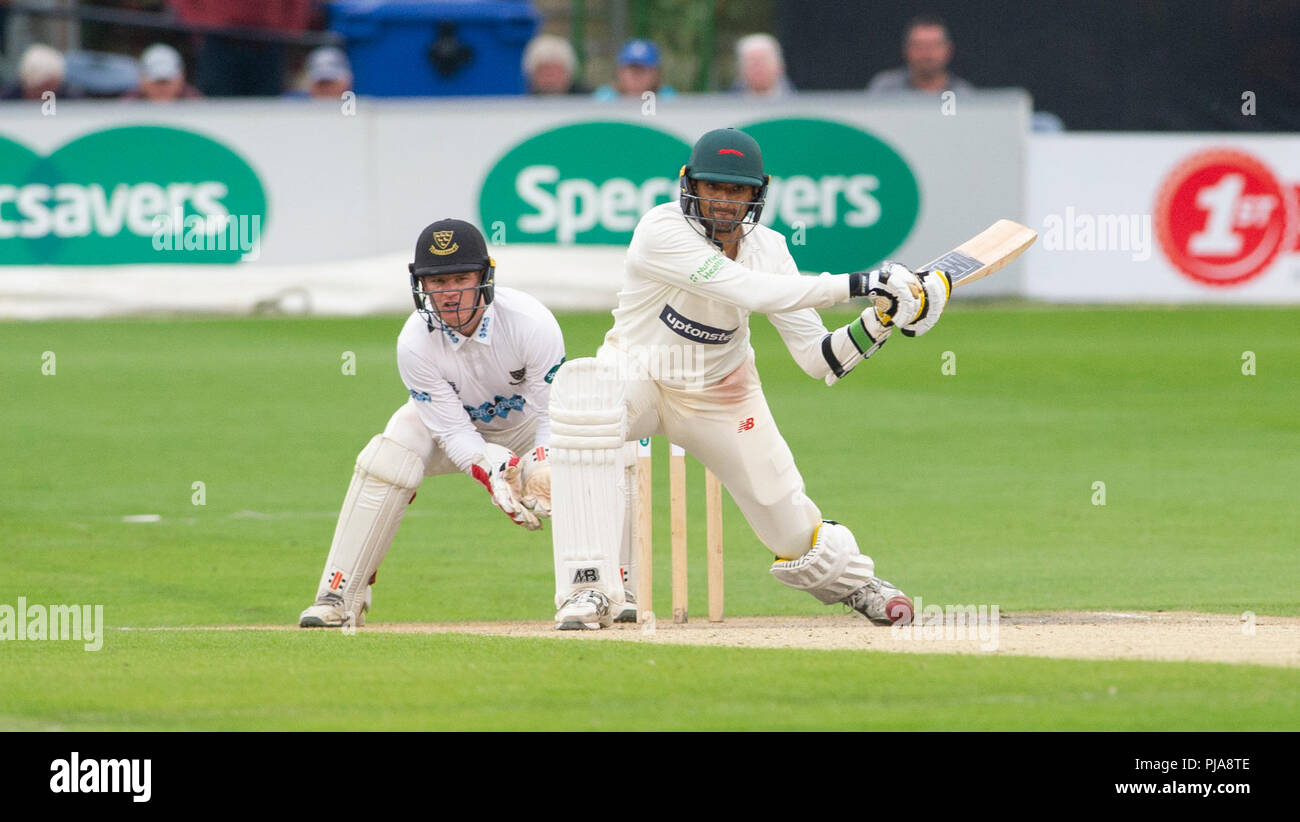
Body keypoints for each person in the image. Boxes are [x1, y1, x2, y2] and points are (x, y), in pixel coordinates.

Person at [547, 128, 952, 630]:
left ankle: (855, 582)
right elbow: (750, 290)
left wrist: (884, 319)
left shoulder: (770, 248)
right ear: (688, 183)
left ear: (756, 195)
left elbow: (820, 358)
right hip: (640, 375)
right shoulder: (661, 230)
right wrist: (864, 283)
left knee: (783, 516)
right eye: (712, 187)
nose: (722, 201)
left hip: (722, 395)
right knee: (588, 406)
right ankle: (592, 589)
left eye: (735, 191)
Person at [298, 219, 566, 628]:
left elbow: (551, 413)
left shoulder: (531, 321)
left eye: (461, 277)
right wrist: (489, 470)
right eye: (437, 281)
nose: (450, 293)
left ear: (485, 278)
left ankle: (602, 590)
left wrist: (544, 464)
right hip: (458, 430)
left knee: (601, 445)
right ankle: (339, 593)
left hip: (529, 426)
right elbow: (453, 431)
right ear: (420, 284)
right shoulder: (414, 341)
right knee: (388, 452)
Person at [867, 16, 973, 95]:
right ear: (906, 49)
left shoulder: (964, 94)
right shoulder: (885, 89)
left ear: (948, 50)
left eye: (934, 45)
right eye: (919, 45)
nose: (926, 53)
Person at [592, 39, 675, 102]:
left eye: (643, 71)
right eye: (632, 71)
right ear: (619, 72)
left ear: (656, 74)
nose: (637, 78)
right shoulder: (603, 99)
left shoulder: (669, 100)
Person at [0, 43, 80, 100]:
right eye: (43, 88)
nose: (48, 94)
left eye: (53, 87)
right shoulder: (7, 99)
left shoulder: (68, 98)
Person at [124, 43, 202, 101]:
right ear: (142, 80)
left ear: (181, 78)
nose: (162, 88)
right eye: (157, 82)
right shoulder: (127, 107)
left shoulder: (196, 105)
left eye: (166, 81)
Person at [730, 33, 794, 98]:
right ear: (740, 69)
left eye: (763, 62)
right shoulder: (727, 105)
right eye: (752, 64)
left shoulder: (797, 103)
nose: (758, 69)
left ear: (780, 66)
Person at [522, 33, 587, 95]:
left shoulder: (589, 100)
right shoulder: (520, 101)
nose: (550, 80)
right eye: (544, 72)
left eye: (556, 72)